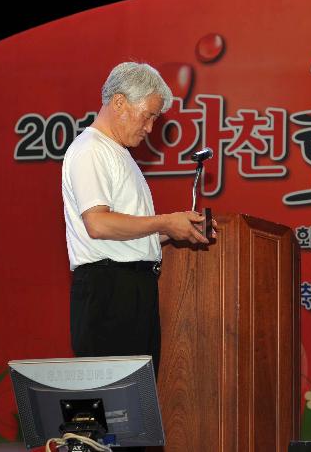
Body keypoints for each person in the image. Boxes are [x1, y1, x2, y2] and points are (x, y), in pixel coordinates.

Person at [62, 61, 212, 374]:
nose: (149, 128)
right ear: (119, 102)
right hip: (110, 290)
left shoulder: (119, 154)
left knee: (135, 402)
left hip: (132, 288)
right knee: (113, 405)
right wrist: (163, 222)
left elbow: (126, 234)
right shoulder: (91, 149)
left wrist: (174, 230)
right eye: (149, 116)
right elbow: (99, 224)